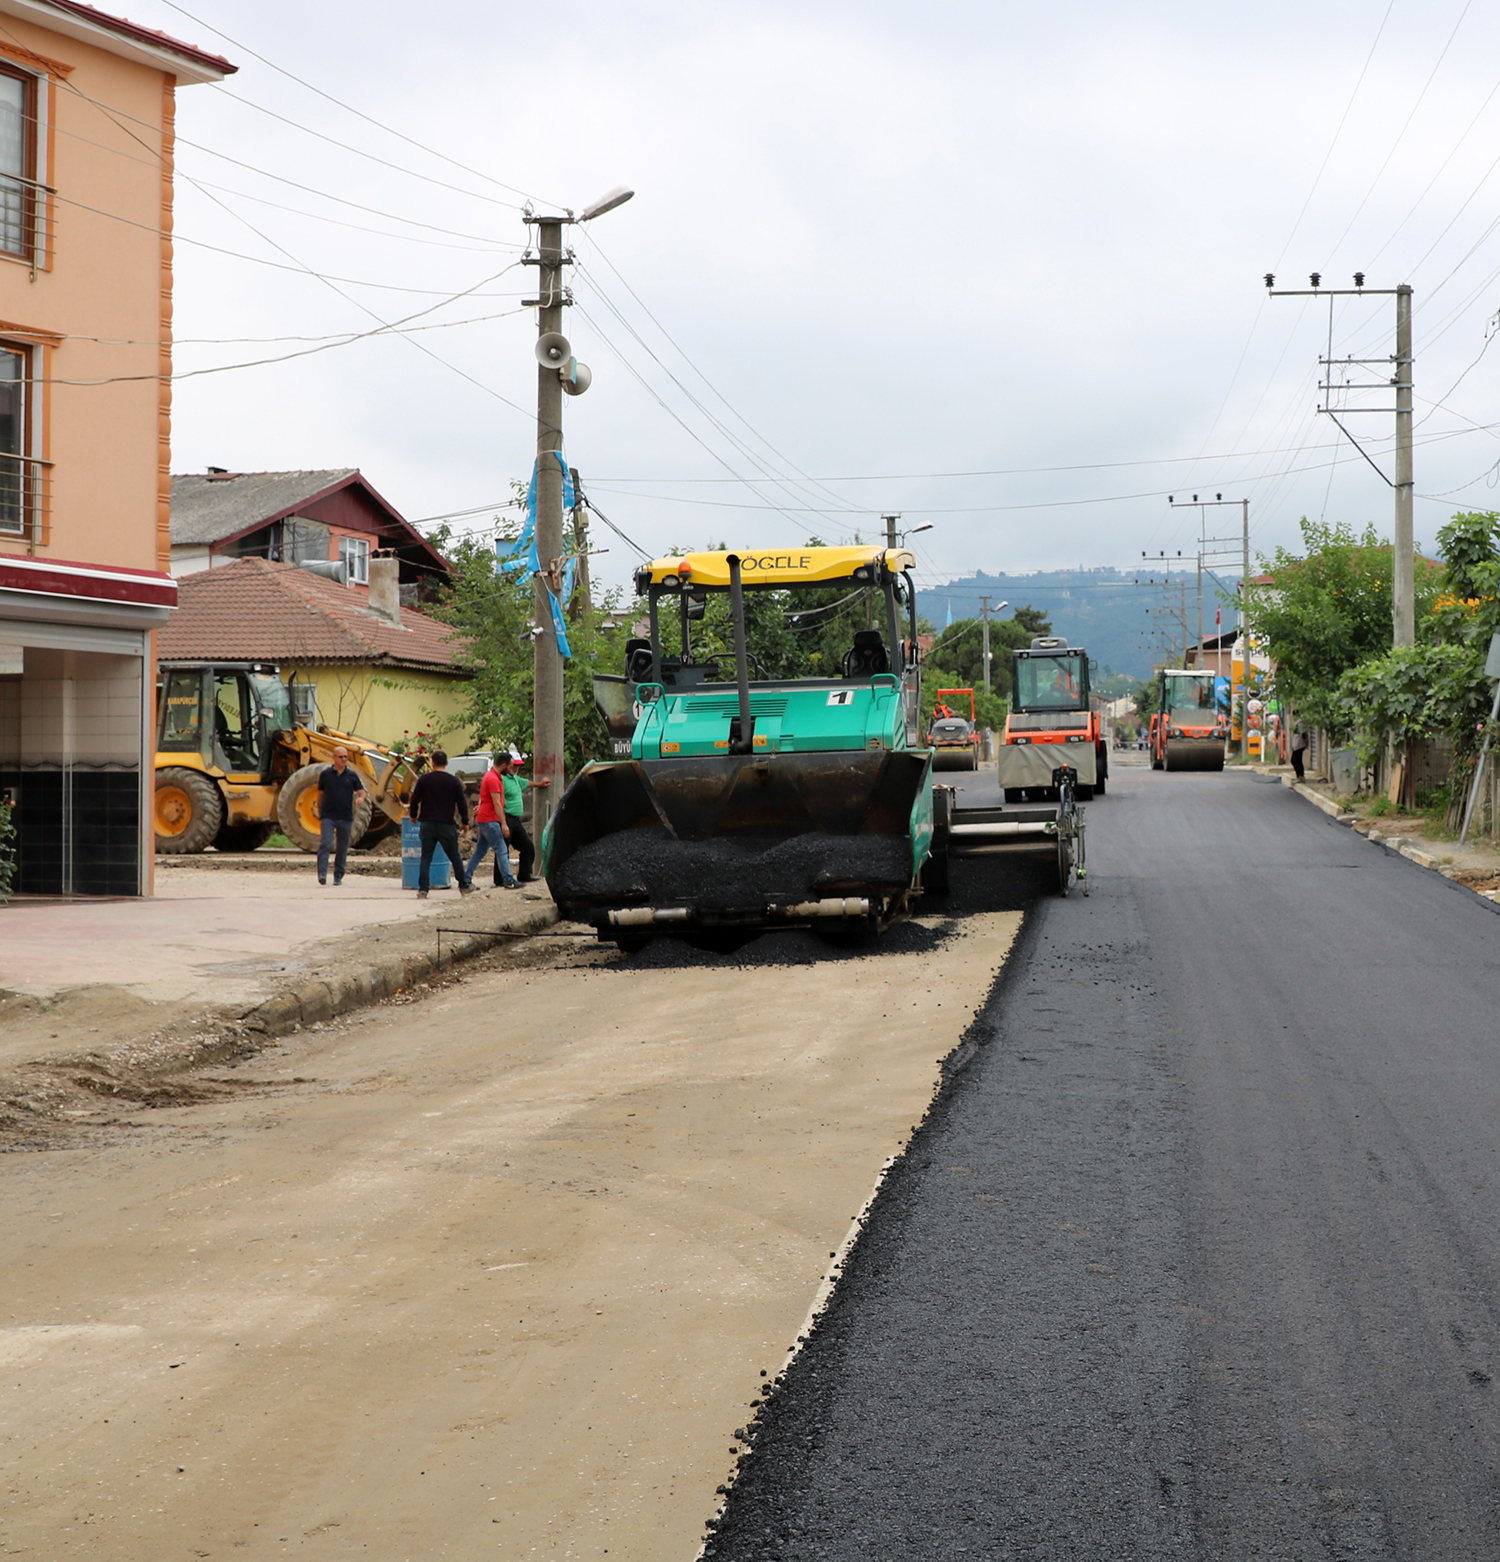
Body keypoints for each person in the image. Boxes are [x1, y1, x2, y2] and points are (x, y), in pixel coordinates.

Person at [407, 749, 473, 899]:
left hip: (427, 824)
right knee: (454, 856)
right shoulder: (453, 781)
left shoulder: (424, 780)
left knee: (426, 857)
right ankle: (463, 886)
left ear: (432, 763)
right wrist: (465, 822)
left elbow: (415, 799)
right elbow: (461, 803)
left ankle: (423, 889)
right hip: (446, 824)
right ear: (447, 763)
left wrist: (413, 816)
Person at [466, 752, 518, 889]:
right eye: (510, 766)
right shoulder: (494, 779)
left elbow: (485, 797)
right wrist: (504, 824)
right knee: (501, 849)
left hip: (484, 818)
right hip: (490, 819)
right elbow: (497, 803)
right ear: (503, 765)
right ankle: (508, 879)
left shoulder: (490, 776)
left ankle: (466, 878)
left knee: (480, 851)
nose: (512, 769)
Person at [316, 746, 364, 887]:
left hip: (345, 817)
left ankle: (338, 876)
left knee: (342, 848)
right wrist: (320, 811)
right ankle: (322, 874)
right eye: (340, 757)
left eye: (345, 757)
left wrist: (361, 798)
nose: (343, 759)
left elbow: (362, 792)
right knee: (326, 843)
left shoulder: (352, 776)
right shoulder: (325, 774)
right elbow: (320, 794)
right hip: (328, 816)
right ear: (333, 758)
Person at [501, 749, 551, 884]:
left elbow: (526, 783)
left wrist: (539, 784)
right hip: (505, 818)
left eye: (518, 765)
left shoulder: (515, 779)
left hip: (515, 821)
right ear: (507, 765)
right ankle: (500, 879)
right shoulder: (501, 779)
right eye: (514, 765)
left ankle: (524, 874)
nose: (516, 768)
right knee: (502, 849)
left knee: (527, 846)